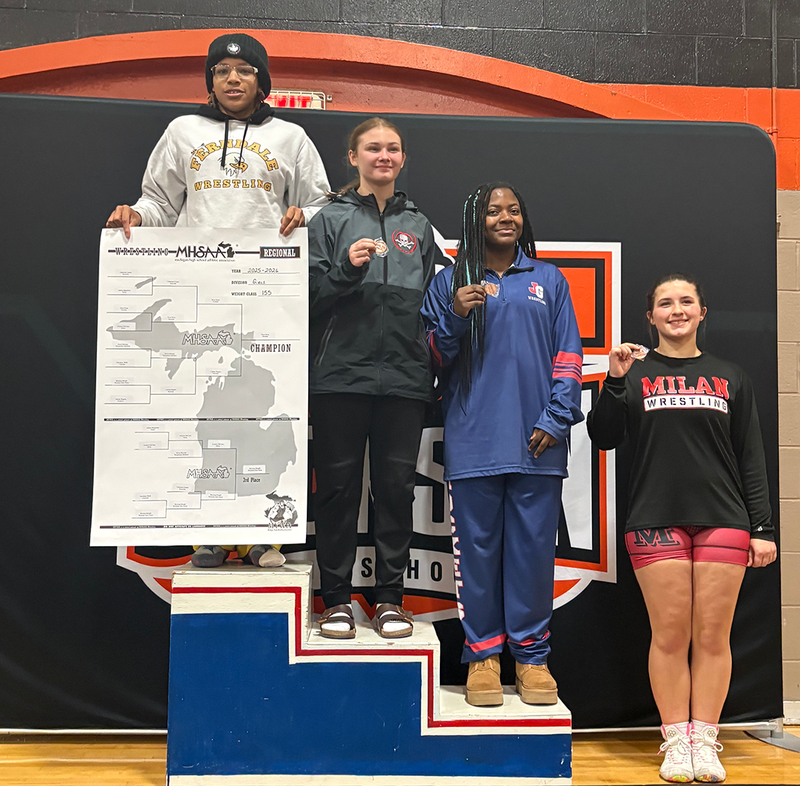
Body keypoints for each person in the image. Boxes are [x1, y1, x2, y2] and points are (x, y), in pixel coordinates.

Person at [106, 32, 330, 568]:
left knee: (262, 407)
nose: (233, 79)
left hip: (268, 296)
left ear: (262, 81)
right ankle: (207, 528)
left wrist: (305, 216)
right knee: (202, 413)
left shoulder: (291, 137)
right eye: (223, 70)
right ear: (209, 81)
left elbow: (323, 204)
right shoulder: (183, 131)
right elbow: (159, 201)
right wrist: (136, 217)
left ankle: (258, 533)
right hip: (201, 293)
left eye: (245, 70)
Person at [586, 274, 777, 783]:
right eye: (665, 304)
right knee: (670, 636)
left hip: (725, 522)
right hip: (654, 520)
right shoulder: (636, 373)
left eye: (685, 301)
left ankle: (705, 740)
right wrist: (614, 379)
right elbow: (603, 437)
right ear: (649, 317)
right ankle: (675, 740)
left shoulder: (730, 376)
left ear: (702, 311)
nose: (676, 310)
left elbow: (750, 457)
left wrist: (763, 527)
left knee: (712, 637)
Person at [421, 182, 584, 706]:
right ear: (476, 221)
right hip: (474, 443)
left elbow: (568, 357)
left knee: (533, 557)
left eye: (514, 209)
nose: (505, 217)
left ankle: (532, 659)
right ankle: (485, 658)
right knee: (479, 556)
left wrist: (556, 419)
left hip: (538, 444)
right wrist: (455, 314)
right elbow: (431, 361)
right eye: (493, 211)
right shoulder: (450, 282)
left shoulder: (549, 280)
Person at [308, 117, 439, 639]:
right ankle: (336, 599)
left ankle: (389, 598)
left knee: (395, 489)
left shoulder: (421, 227)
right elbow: (308, 300)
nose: (383, 156)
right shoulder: (329, 219)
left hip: (405, 380)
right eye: (373, 148)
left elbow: (433, 305)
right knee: (338, 490)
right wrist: (347, 270)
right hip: (340, 376)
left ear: (402, 159)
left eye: (393, 149)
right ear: (353, 157)